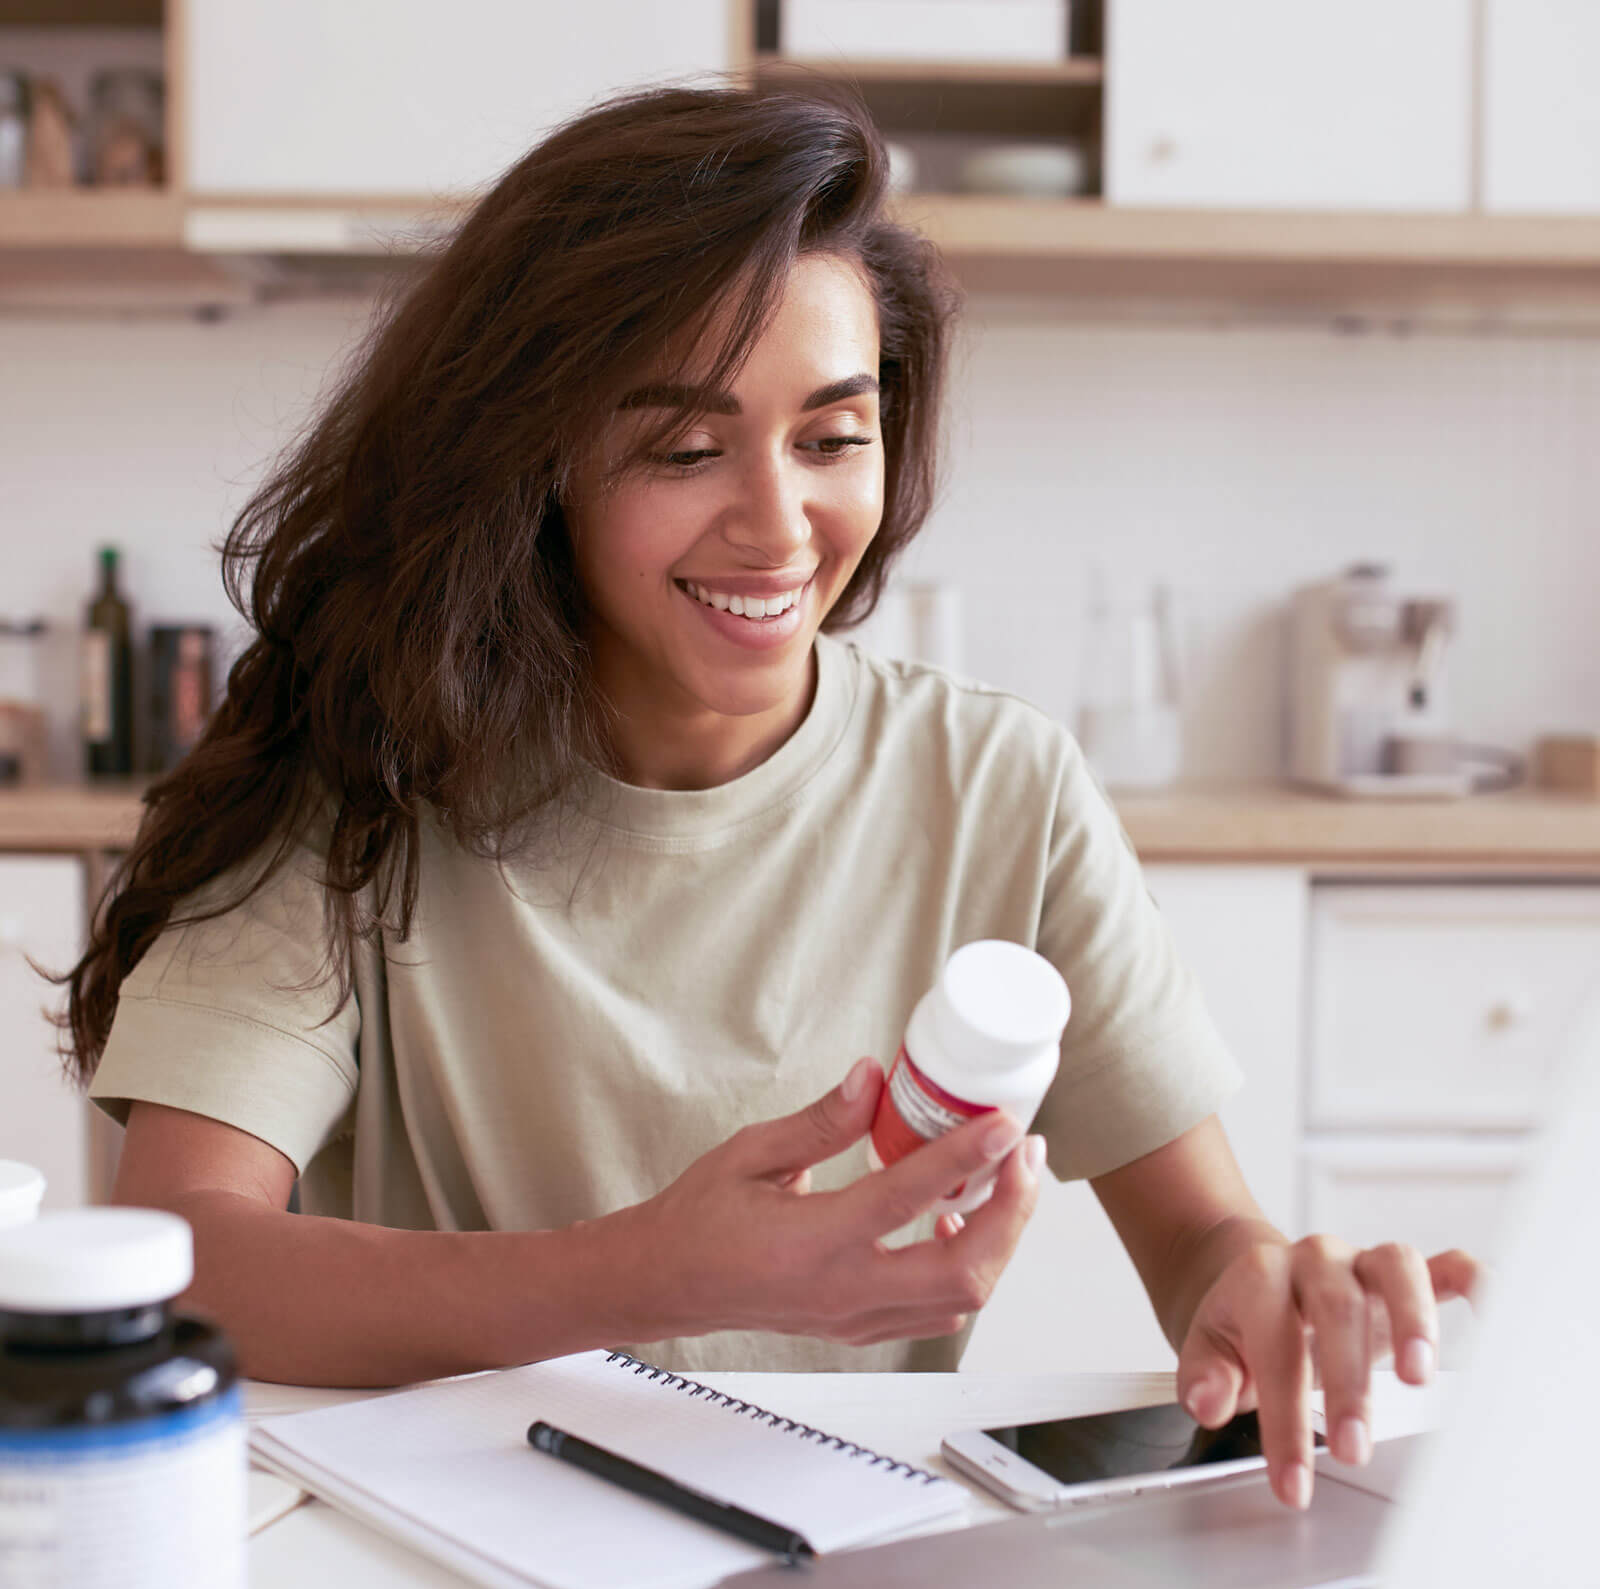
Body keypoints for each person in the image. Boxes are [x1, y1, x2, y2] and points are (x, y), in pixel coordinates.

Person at [64, 81, 1475, 1512]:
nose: (778, 522)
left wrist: (1273, 1291)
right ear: (537, 459)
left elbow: (1203, 1242)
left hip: (844, 1543)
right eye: (683, 447)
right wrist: (643, 1273)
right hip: (460, 1546)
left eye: (831, 435)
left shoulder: (999, 787)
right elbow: (187, 1253)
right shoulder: (359, 775)